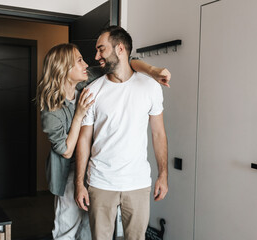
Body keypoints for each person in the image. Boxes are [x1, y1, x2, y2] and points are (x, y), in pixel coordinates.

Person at [37, 43, 170, 240]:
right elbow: (65, 150)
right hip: (67, 170)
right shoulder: (50, 109)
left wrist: (153, 71)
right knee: (66, 228)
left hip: (94, 169)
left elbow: (127, 63)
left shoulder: (86, 81)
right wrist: (79, 115)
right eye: (79, 60)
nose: (86, 63)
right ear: (64, 69)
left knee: (88, 230)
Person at [75, 26, 168, 240]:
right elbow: (84, 139)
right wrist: (79, 184)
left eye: (101, 50)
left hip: (137, 183)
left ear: (120, 49)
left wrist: (163, 175)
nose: (97, 56)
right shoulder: (92, 90)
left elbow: (158, 134)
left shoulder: (151, 87)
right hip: (100, 183)